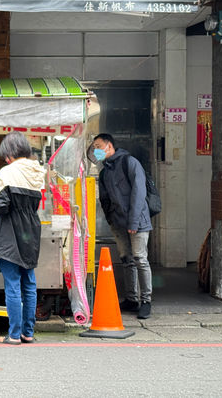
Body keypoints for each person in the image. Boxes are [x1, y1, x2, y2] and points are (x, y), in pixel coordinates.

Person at [0, 132, 45, 344]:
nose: (5, 159)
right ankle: (27, 333)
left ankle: (13, 334)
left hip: (10, 232)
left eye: (6, 155)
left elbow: (0, 206)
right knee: (29, 283)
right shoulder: (37, 171)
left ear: (12, 153)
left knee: (12, 284)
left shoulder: (7, 172)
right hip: (30, 231)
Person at [92, 133, 153, 319]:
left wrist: (133, 221)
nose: (96, 150)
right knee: (127, 260)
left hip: (137, 222)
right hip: (118, 223)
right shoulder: (105, 171)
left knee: (140, 259)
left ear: (109, 146)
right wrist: (111, 219)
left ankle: (146, 301)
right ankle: (131, 299)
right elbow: (104, 198)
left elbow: (139, 193)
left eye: (98, 146)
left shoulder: (130, 163)